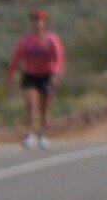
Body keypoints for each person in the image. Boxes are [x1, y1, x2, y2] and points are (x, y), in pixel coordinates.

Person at [4, 9, 65, 150]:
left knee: (44, 108)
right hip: (29, 75)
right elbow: (15, 59)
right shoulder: (24, 40)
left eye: (38, 21)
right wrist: (10, 76)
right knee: (29, 104)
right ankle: (29, 135)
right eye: (33, 21)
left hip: (46, 75)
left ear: (44, 23)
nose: (36, 24)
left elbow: (58, 59)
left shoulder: (51, 39)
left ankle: (43, 136)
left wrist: (55, 75)